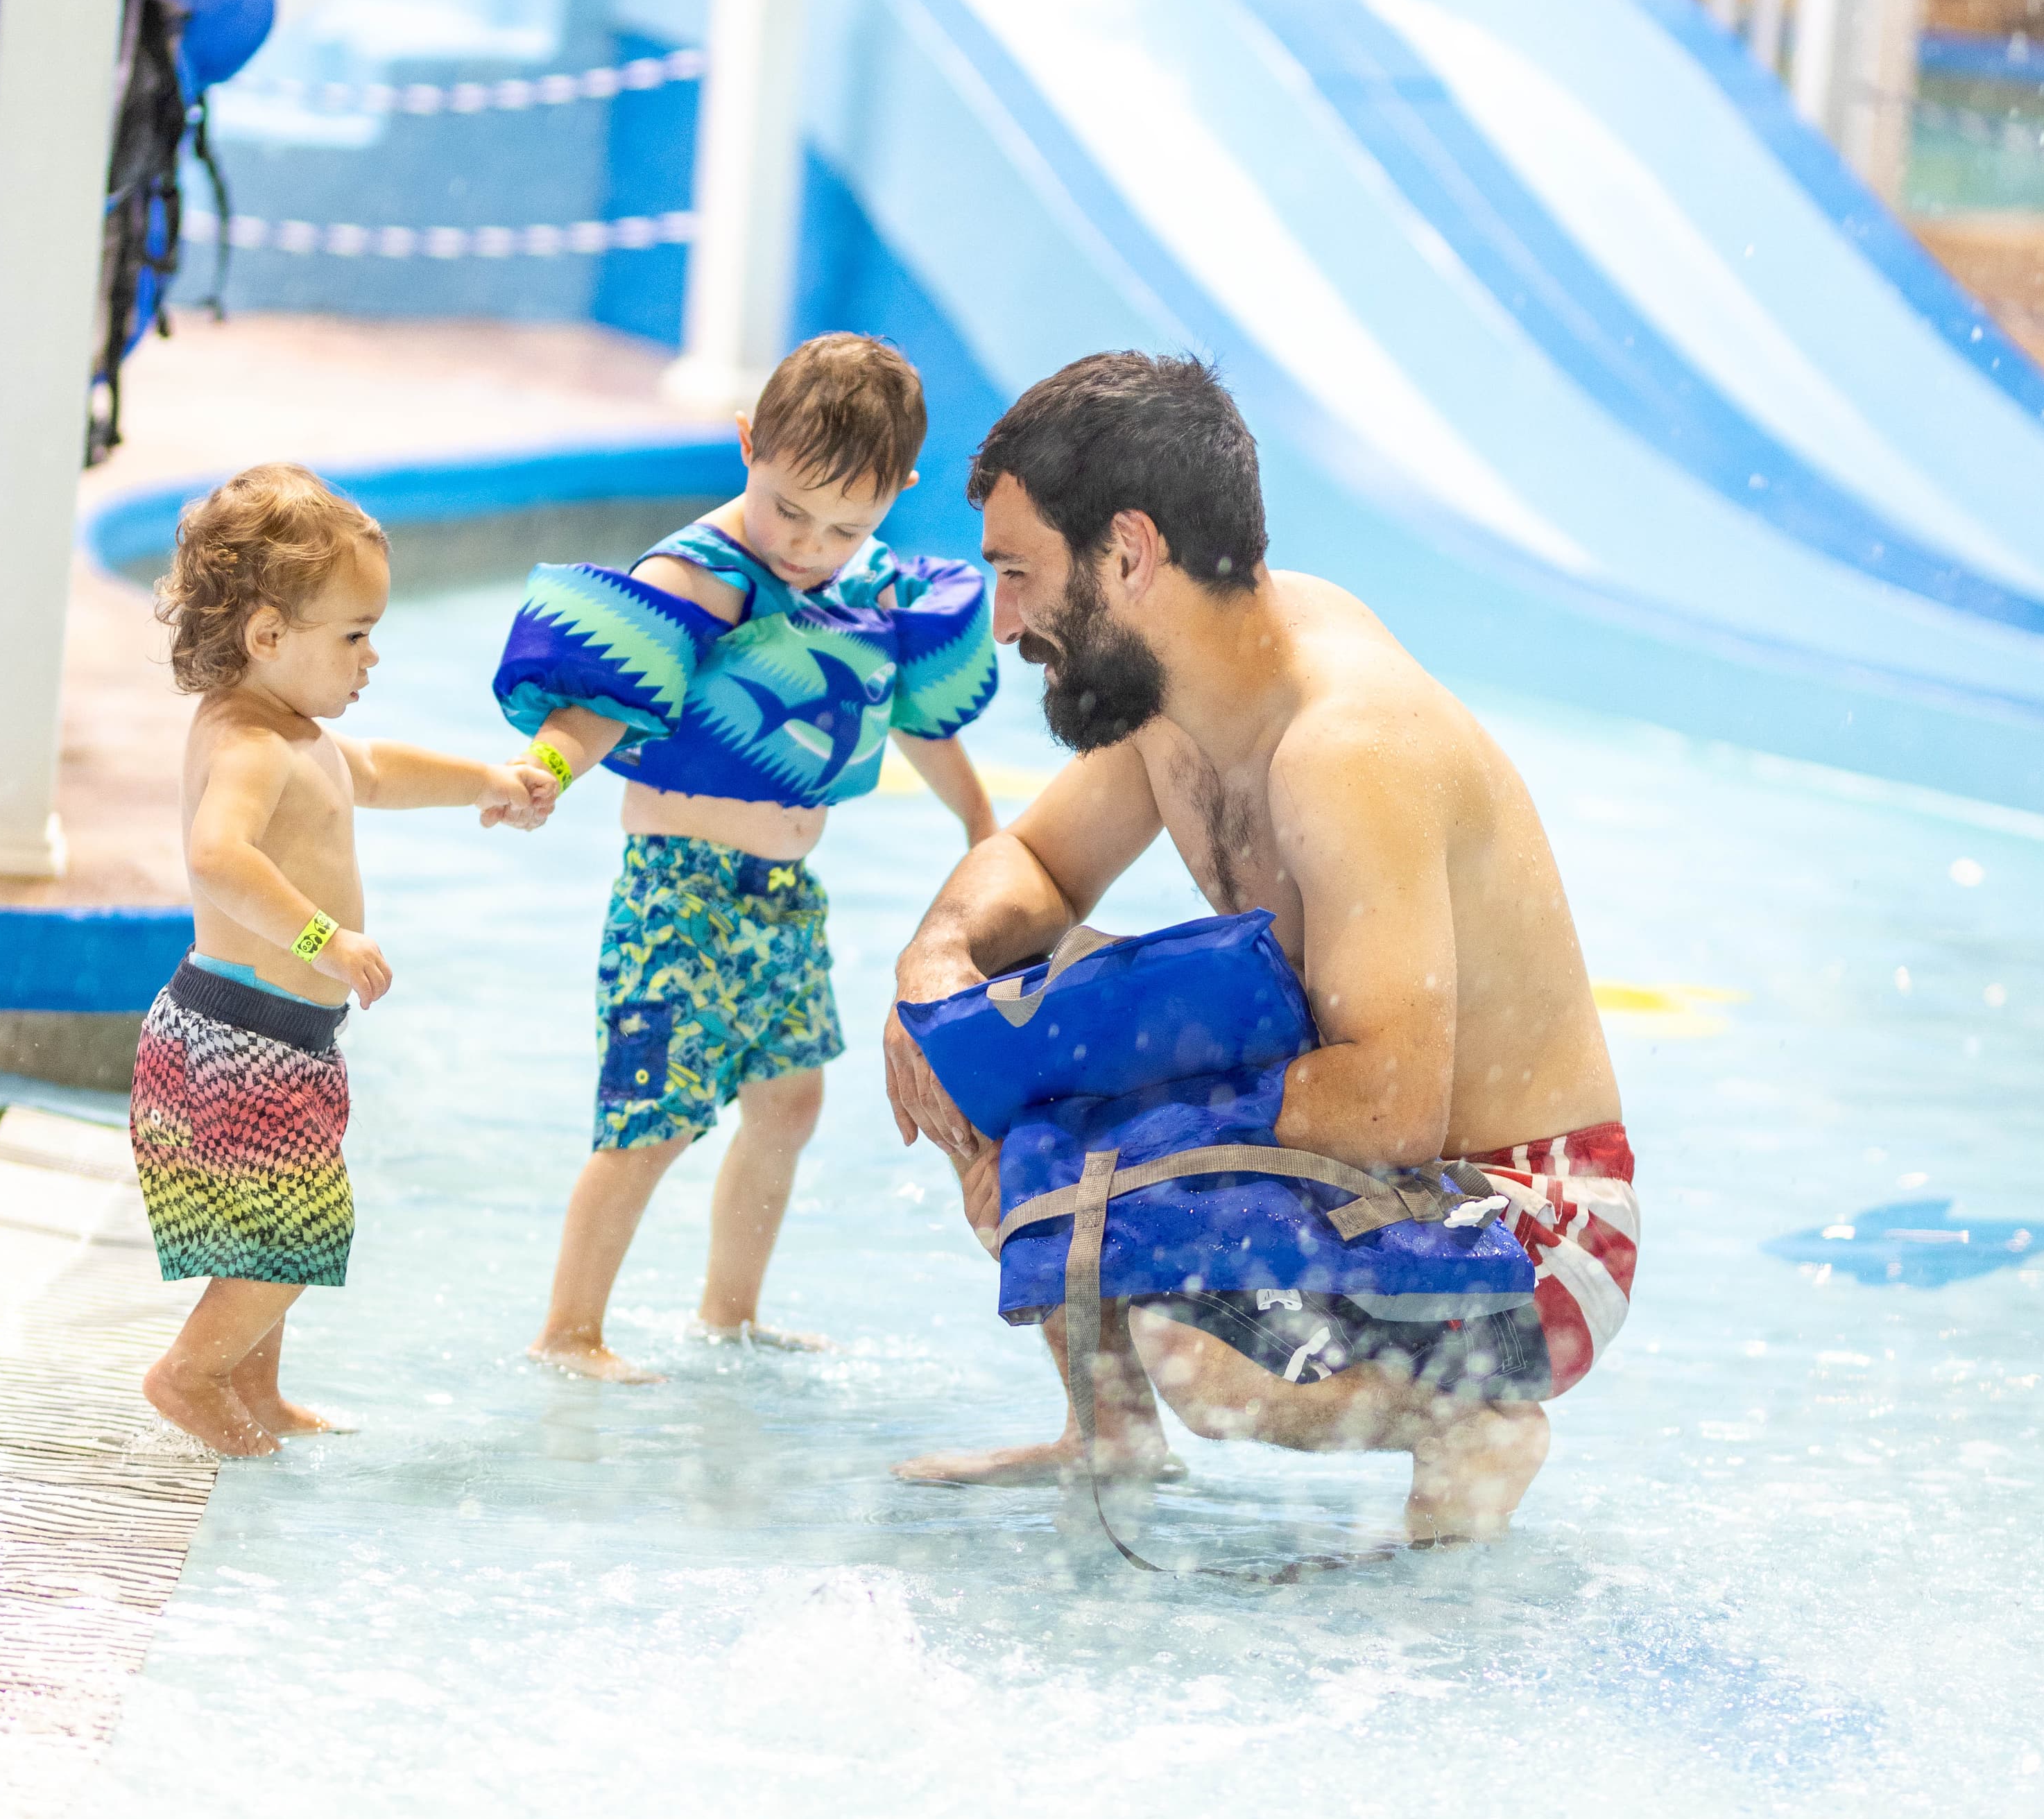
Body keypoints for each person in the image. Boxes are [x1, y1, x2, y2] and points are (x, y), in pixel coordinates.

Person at [881, 354, 1640, 1544]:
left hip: (1530, 1220)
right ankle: (1108, 1431)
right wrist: (930, 978)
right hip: (1373, 1170)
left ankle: (1466, 1427)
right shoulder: (1183, 690)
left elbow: (1392, 1100)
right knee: (997, 1054)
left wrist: (1103, 1128)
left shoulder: (1346, 745)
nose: (1007, 620)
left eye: (1019, 574)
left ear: (1128, 554)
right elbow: (1032, 868)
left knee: (1198, 1343)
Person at [495, 331, 1000, 1377]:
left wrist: (985, 830)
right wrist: (549, 768)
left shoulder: (872, 588)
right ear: (746, 446)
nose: (809, 545)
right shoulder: (705, 575)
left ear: (899, 493)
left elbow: (916, 721)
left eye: (846, 524)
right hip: (677, 893)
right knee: (650, 1121)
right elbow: (606, 696)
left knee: (790, 1102)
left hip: (784, 898)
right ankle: (569, 1330)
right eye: (788, 508)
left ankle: (729, 1313)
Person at [134, 464, 559, 1458]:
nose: (373, 656)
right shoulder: (247, 745)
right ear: (269, 637)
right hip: (238, 1040)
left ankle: (258, 1389)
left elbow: (372, 769)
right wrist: (325, 937)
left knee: (273, 1223)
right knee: (291, 1235)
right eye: (355, 634)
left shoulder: (296, 732)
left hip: (272, 1035)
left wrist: (489, 781)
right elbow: (215, 857)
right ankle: (189, 1376)